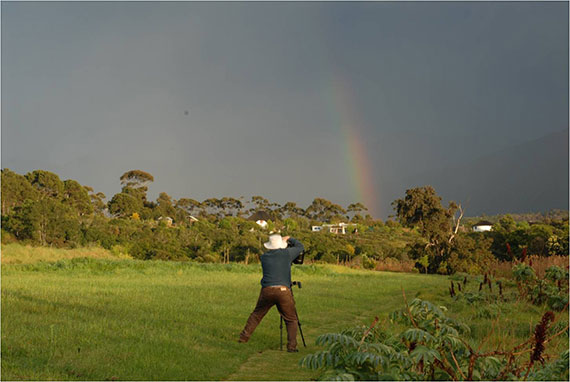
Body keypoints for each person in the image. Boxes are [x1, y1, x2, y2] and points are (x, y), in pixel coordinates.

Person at [239, 233, 304, 352]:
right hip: (283, 290)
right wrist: (290, 238)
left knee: (257, 315)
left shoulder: (264, 257)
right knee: (291, 319)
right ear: (281, 245)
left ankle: (243, 338)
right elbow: (300, 247)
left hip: (267, 290)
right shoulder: (286, 254)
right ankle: (292, 346)